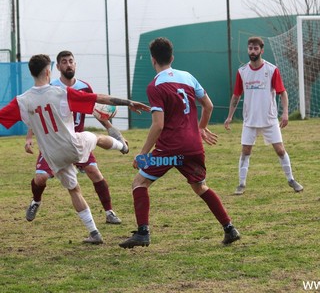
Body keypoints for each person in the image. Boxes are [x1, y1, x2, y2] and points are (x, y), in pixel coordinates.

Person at [0, 54, 150, 244]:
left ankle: (94, 232)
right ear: (48, 71)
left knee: (74, 189)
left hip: (53, 157)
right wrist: (128, 102)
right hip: (73, 146)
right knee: (94, 137)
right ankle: (122, 147)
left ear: (31, 73)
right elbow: (99, 98)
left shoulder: (21, 101)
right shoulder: (61, 93)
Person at [119, 37, 240, 249]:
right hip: (193, 145)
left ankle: (143, 233)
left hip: (169, 149)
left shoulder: (155, 86)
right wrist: (200, 128)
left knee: (139, 183)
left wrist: (143, 153)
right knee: (200, 187)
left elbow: (158, 125)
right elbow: (208, 105)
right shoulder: (188, 77)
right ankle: (229, 228)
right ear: (172, 58)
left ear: (153, 60)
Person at [25, 51, 123, 225]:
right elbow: (37, 113)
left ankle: (109, 212)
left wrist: (110, 128)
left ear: (75, 64)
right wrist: (29, 137)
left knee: (94, 172)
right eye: (64, 62)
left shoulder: (84, 87)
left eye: (71, 61)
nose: (68, 64)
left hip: (77, 142)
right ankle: (36, 201)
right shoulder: (52, 88)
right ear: (57, 67)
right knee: (41, 178)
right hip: (54, 142)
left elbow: (95, 109)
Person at [224, 36, 304, 195]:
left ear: (261, 50)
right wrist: (229, 116)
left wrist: (286, 113)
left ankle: (291, 180)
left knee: (280, 150)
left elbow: (282, 93)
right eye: (250, 48)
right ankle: (241, 184)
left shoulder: (271, 69)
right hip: (250, 120)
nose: (252, 51)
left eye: (255, 48)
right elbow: (236, 96)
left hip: (269, 119)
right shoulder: (242, 72)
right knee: (245, 151)